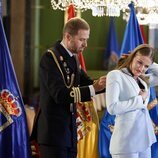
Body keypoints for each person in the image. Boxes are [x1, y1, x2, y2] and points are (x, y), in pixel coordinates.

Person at [36, 17, 106, 158]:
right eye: (82, 39)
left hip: (70, 132)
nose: (85, 44)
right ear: (68, 37)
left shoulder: (73, 58)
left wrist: (117, 78)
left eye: (86, 39)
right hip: (53, 134)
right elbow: (60, 94)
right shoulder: (51, 58)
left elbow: (88, 82)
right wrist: (94, 89)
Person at [106, 44, 158, 158]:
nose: (141, 68)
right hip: (125, 141)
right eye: (139, 62)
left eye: (146, 66)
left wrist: (150, 62)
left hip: (144, 139)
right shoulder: (116, 75)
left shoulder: (143, 79)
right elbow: (112, 108)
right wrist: (140, 99)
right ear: (132, 57)